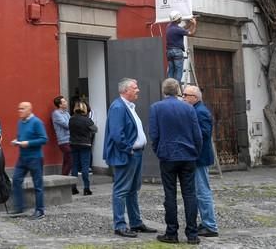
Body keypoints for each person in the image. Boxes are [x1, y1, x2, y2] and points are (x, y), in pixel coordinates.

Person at [149, 78, 203, 245]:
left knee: (170, 195)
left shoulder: (156, 108)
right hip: (188, 156)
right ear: (178, 90)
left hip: (167, 156)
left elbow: (154, 134)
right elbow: (197, 134)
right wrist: (196, 152)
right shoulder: (188, 108)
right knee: (190, 194)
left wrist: (158, 151)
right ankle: (192, 234)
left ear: (164, 91)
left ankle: (171, 232)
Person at [103, 78, 157, 238]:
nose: (138, 90)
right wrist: (128, 149)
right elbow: (116, 133)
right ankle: (120, 225)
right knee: (121, 190)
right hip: (127, 154)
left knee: (133, 189)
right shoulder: (118, 107)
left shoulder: (128, 106)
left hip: (135, 153)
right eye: (135, 88)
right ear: (125, 90)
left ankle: (135, 222)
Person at [183, 84, 219, 237]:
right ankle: (205, 222)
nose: (183, 97)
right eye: (183, 95)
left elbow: (204, 134)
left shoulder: (201, 112)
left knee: (203, 191)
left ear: (195, 98)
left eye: (186, 95)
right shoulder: (195, 110)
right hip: (196, 156)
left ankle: (210, 225)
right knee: (199, 191)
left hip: (200, 157)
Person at [9, 102, 48, 220]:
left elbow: (44, 139)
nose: (19, 110)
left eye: (22, 109)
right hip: (22, 157)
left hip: (35, 157)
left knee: (38, 185)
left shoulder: (37, 122)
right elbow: (22, 137)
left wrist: (29, 143)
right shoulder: (20, 122)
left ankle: (40, 210)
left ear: (29, 110)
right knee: (16, 180)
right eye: (19, 108)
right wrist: (17, 141)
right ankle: (19, 207)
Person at [69, 101, 97, 195]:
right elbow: (95, 129)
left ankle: (73, 188)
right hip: (85, 144)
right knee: (85, 166)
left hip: (73, 144)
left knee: (75, 166)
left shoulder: (71, 119)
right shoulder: (87, 120)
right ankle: (86, 188)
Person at [166, 11, 197, 82]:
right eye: (180, 18)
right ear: (177, 19)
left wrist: (190, 24)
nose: (181, 19)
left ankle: (169, 88)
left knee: (171, 71)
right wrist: (194, 24)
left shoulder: (169, 27)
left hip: (169, 52)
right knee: (178, 72)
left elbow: (183, 29)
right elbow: (192, 33)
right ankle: (176, 89)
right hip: (177, 51)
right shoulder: (177, 29)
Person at [51, 96, 72, 176]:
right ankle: (65, 177)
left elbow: (71, 123)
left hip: (69, 139)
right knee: (70, 160)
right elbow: (67, 125)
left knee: (67, 160)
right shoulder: (56, 114)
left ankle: (64, 176)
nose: (66, 102)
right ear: (60, 105)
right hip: (63, 141)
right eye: (64, 101)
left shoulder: (66, 113)